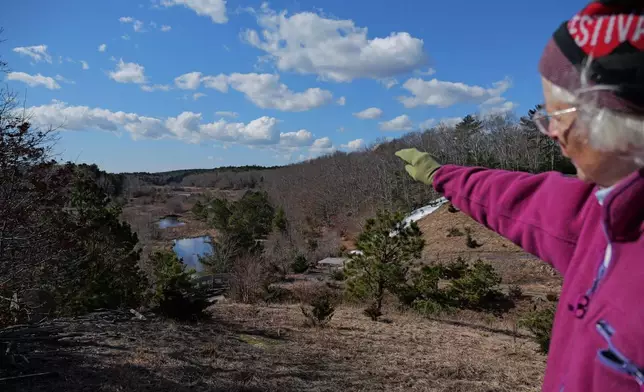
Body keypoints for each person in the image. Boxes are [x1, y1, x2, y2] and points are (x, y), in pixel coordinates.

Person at [396, 1, 644, 391]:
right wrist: (438, 174)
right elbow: (512, 199)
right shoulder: (600, 214)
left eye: (558, 115)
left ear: (613, 116)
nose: (552, 132)